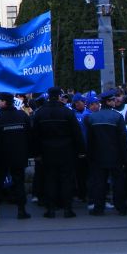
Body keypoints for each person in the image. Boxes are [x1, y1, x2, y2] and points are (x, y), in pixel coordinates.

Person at [32, 86, 85, 218]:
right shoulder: (67, 112)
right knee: (66, 179)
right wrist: (81, 150)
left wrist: (36, 153)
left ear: (48, 96)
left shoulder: (40, 112)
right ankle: (67, 208)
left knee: (49, 179)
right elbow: (76, 133)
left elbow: (35, 135)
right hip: (66, 150)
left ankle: (51, 208)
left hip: (47, 150)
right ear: (60, 96)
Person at [85, 90, 127, 216]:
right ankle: (121, 207)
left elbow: (90, 140)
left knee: (99, 182)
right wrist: (126, 157)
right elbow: (123, 139)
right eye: (112, 100)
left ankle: (98, 208)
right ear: (108, 102)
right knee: (118, 182)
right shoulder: (117, 117)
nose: (115, 101)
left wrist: (90, 155)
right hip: (115, 156)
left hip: (98, 156)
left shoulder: (92, 118)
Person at [0, 93, 32, 219]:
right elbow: (29, 134)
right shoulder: (22, 115)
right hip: (19, 155)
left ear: (4, 102)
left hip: (1, 155)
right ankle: (21, 210)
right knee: (19, 182)